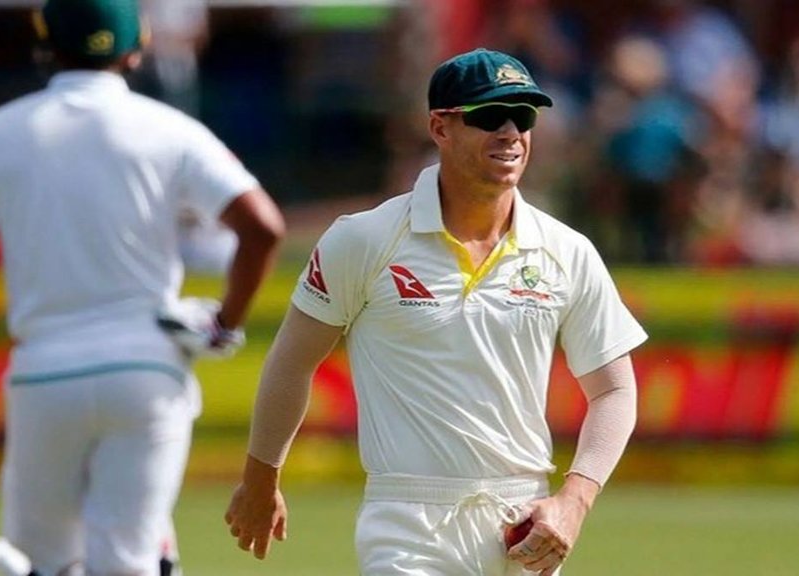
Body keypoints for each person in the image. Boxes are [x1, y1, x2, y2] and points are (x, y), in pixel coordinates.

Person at [0, 1, 285, 575]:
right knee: (130, 560)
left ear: (44, 45)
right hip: (148, 372)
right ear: (135, 50)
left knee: (42, 563)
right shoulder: (170, 129)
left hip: (44, 375)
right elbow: (263, 229)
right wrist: (223, 326)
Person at [224, 48, 647, 576]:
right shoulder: (365, 239)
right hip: (408, 523)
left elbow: (613, 389)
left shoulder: (567, 250)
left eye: (525, 116)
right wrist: (261, 480)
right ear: (440, 127)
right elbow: (292, 362)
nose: (511, 132)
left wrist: (575, 500)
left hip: (524, 525)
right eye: (491, 116)